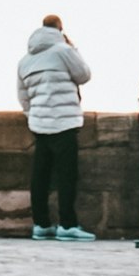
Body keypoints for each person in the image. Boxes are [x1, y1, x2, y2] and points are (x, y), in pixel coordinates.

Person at [16, 14, 95, 241]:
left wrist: (35, 116)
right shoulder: (64, 51)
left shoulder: (25, 60)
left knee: (40, 176)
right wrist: (73, 47)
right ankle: (67, 224)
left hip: (40, 124)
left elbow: (22, 96)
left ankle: (41, 224)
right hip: (65, 122)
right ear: (60, 29)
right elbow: (84, 75)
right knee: (66, 176)